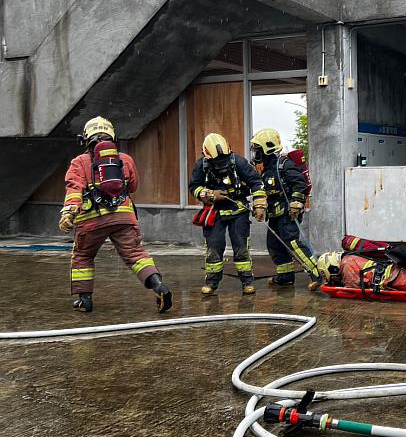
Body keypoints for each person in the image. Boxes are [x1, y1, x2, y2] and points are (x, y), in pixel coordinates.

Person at [58, 116, 172, 313]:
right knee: (136, 255)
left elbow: (74, 189)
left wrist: (69, 212)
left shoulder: (79, 162)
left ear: (85, 139)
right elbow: (134, 186)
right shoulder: (125, 160)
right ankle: (158, 286)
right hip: (124, 218)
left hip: (91, 221)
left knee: (83, 256)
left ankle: (85, 300)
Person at [189, 133, 266, 295]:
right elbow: (194, 186)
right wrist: (208, 194)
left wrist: (260, 205)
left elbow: (256, 182)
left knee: (241, 247)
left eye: (224, 158)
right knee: (214, 248)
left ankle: (246, 282)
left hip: (238, 211)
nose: (221, 163)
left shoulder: (237, 161)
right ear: (206, 155)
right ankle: (211, 283)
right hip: (214, 212)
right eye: (217, 160)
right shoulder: (202, 165)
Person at [250, 129, 321, 289]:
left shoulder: (283, 164)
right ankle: (285, 276)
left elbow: (300, 183)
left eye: (258, 149)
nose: (256, 153)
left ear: (266, 149)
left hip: (289, 212)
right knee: (274, 244)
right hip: (275, 214)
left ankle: (317, 274)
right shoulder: (266, 168)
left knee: (293, 242)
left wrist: (296, 202)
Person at [317, 251, 406, 296]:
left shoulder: (346, 266)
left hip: (392, 278)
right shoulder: (348, 260)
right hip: (391, 273)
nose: (333, 280)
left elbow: (353, 288)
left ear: (332, 269)